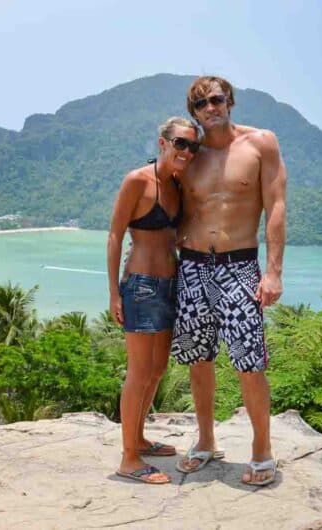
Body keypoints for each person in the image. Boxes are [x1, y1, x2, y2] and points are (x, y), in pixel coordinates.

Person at [171, 76, 286, 486]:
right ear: (194, 113)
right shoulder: (190, 155)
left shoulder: (260, 144)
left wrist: (273, 272)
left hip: (239, 266)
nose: (209, 108)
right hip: (193, 265)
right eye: (200, 104)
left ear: (230, 101)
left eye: (216, 99)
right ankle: (205, 441)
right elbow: (167, 204)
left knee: (250, 362)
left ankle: (262, 450)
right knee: (199, 360)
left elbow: (275, 207)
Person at [107, 116, 200, 484]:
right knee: (139, 372)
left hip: (170, 285)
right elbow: (115, 235)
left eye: (193, 147)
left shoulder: (178, 184)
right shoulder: (137, 181)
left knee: (158, 369)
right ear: (162, 143)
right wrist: (114, 290)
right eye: (180, 143)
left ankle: (140, 439)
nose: (187, 152)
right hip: (142, 286)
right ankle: (129, 459)